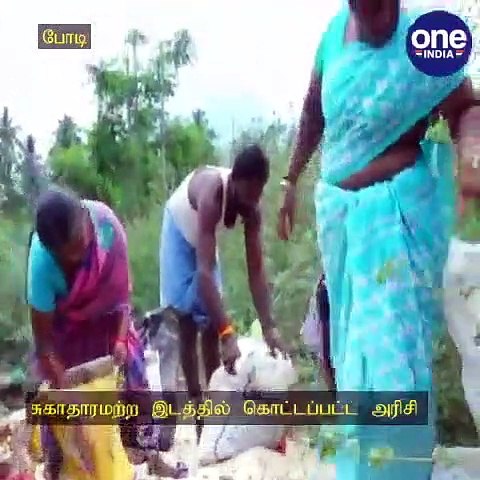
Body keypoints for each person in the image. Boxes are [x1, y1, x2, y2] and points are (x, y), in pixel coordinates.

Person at [278, 1, 478, 479]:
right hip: (341, 228)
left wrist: (471, 154)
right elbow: (313, 112)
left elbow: (467, 107)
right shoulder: (333, 36)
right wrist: (290, 180)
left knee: (389, 361)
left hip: (396, 220)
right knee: (353, 363)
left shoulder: (424, 36)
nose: (374, 16)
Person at [26, 187, 187, 479]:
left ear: (85, 220)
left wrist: (121, 339)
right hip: (66, 334)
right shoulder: (41, 264)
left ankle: (146, 454)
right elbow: (44, 344)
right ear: (53, 252)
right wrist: (65, 389)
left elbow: (121, 294)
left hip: (107, 321)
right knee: (60, 412)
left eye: (79, 245)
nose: (76, 257)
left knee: (134, 373)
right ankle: (60, 465)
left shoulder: (107, 228)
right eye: (66, 256)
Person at [159, 145, 287, 414]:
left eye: (258, 194)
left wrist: (269, 326)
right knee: (186, 320)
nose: (252, 201)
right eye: (249, 193)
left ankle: (214, 398)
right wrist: (228, 335)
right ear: (235, 181)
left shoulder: (252, 209)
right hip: (180, 231)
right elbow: (204, 273)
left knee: (211, 322)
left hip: (203, 240)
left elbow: (256, 271)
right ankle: (197, 405)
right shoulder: (213, 195)